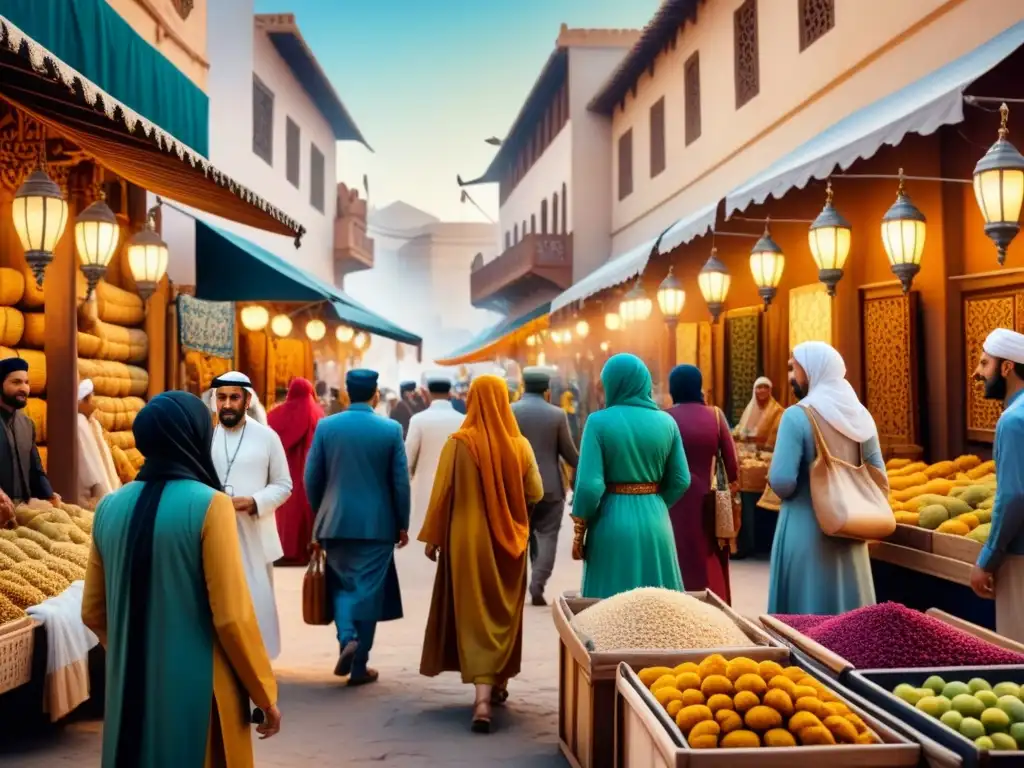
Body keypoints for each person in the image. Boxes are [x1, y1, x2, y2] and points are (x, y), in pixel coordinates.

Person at [81, 391, 280, 767]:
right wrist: (264, 693)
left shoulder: (110, 506)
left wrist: (132, 651)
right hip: (199, 688)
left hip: (130, 690)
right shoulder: (211, 505)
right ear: (193, 436)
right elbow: (231, 616)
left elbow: (93, 610)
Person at [418, 375, 543, 733]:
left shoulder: (457, 444)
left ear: (471, 401)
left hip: (465, 540)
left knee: (473, 612)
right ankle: (496, 683)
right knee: (502, 612)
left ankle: (482, 699)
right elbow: (537, 491)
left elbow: (442, 494)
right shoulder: (520, 446)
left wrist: (434, 538)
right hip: (510, 542)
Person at [306, 369, 409, 685]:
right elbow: (399, 483)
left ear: (348, 393)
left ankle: (347, 638)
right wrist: (401, 523)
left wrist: (321, 513)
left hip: (334, 522)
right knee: (368, 592)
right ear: (375, 393)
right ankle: (359, 663)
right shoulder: (390, 430)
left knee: (342, 585)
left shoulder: (326, 426)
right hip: (376, 525)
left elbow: (311, 477)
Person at [767, 341, 883, 615]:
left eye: (794, 369)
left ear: (811, 371)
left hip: (806, 528)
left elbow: (783, 481)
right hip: (852, 528)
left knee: (806, 621)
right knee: (850, 621)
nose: (790, 377)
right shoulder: (860, 416)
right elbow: (878, 473)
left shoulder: (797, 416)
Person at [572, 354, 690, 599]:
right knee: (660, 610)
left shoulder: (598, 422)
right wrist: (654, 501)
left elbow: (589, 485)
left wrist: (580, 524)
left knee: (609, 612)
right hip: (656, 520)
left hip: (610, 520)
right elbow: (681, 479)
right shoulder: (667, 422)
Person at [210, 371, 292, 659]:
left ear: (247, 401)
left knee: (256, 598)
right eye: (222, 398)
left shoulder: (267, 437)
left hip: (254, 531)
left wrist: (255, 501)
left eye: (234, 397)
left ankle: (260, 660)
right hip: (214, 532)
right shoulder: (205, 436)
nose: (227, 404)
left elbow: (284, 485)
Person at [665, 365, 739, 604]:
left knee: (675, 555)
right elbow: (733, 467)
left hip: (670, 501)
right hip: (706, 503)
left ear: (672, 388)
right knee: (706, 558)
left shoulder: (664, 418)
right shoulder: (715, 416)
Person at [970, 328, 1024, 641]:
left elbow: (1014, 496)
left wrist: (987, 560)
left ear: (1007, 368)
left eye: (984, 363)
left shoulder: (1013, 420)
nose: (977, 373)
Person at [511, 366, 579, 606]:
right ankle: (537, 583)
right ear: (547, 390)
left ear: (524, 386)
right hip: (550, 487)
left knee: (519, 537)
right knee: (547, 536)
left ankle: (516, 587)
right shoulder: (557, 415)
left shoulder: (510, 412)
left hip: (517, 488)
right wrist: (582, 468)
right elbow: (569, 453)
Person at [267, 378, 323, 565]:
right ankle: (306, 549)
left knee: (284, 510)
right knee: (306, 507)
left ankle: (284, 550)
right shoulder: (317, 413)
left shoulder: (278, 414)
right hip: (309, 469)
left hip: (283, 468)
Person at [0, 357, 58, 518]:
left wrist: (49, 495)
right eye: (16, 382)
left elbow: (35, 469)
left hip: (24, 511)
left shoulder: (27, 424)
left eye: (26, 382)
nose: (24, 388)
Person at [406, 375, 465, 530]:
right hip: (455, 488)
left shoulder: (418, 420)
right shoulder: (463, 420)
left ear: (429, 393)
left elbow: (408, 460)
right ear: (449, 393)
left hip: (424, 487)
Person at [76, 379, 120, 507]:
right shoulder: (79, 423)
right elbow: (90, 464)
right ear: (83, 400)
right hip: (91, 494)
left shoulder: (92, 423)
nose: (94, 402)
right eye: (91, 397)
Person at [733, 376, 783, 450]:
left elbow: (775, 437)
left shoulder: (778, 410)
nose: (763, 390)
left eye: (766, 387)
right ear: (754, 390)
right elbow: (742, 432)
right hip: (748, 451)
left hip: (769, 452)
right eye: (759, 387)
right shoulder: (750, 409)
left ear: (770, 390)